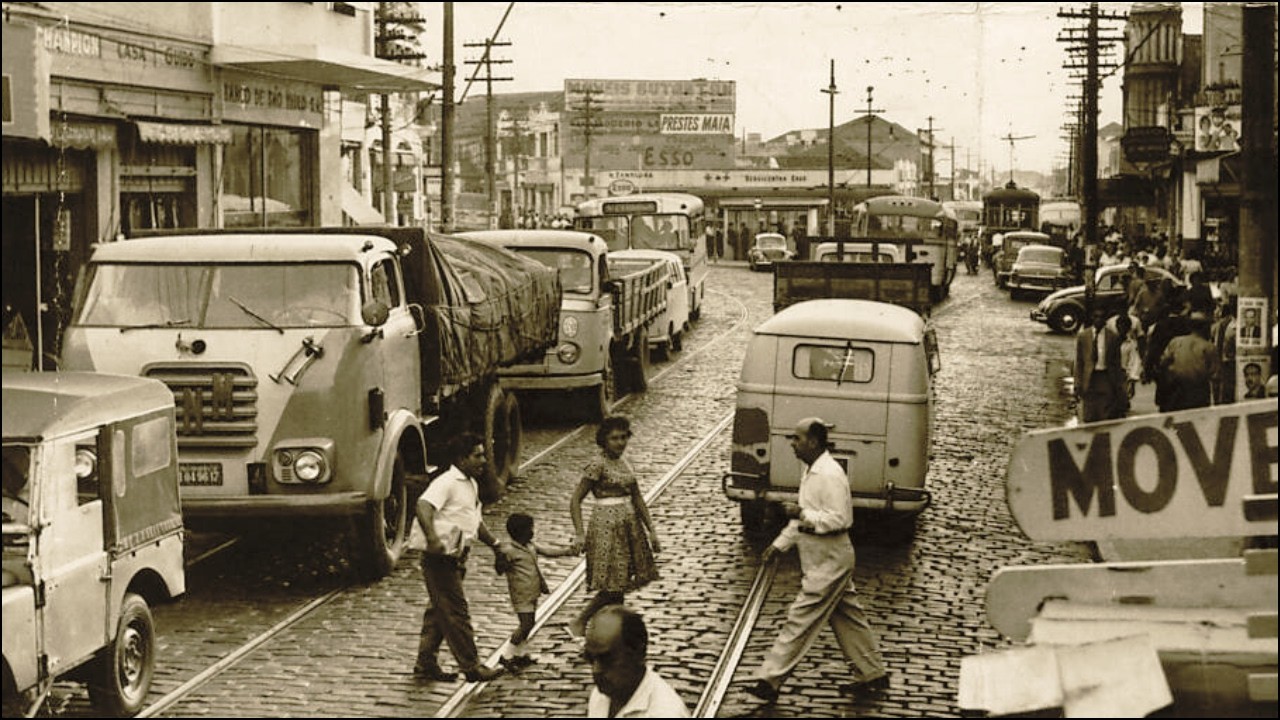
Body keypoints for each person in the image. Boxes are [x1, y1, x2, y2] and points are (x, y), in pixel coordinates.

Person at [745, 418, 889, 705]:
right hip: (823, 558)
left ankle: (770, 680)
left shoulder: (829, 475)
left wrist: (802, 514)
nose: (793, 444)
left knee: (799, 618)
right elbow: (802, 518)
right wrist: (779, 545)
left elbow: (841, 519)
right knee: (848, 617)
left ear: (813, 441)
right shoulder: (812, 470)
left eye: (797, 439)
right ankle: (873, 673)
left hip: (831, 560)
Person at [413, 432, 507, 683]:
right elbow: (423, 505)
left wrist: (495, 545)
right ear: (461, 458)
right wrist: (432, 538)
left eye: (483, 455)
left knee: (438, 613)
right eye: (477, 455)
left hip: (457, 556)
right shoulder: (447, 482)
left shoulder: (471, 483)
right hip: (440, 557)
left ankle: (425, 663)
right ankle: (472, 666)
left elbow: (475, 523)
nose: (483, 460)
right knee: (456, 613)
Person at [569, 415, 660, 638]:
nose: (620, 443)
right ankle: (580, 620)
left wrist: (652, 530)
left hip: (628, 527)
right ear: (604, 440)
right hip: (606, 528)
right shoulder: (597, 465)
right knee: (613, 586)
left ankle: (609, 634)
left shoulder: (624, 463)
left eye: (623, 437)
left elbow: (637, 498)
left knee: (620, 586)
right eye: (614, 438)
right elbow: (575, 500)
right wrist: (579, 534)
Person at [493, 512, 578, 672]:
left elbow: (547, 551)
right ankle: (507, 655)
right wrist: (499, 559)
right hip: (521, 594)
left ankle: (519, 654)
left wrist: (567, 551)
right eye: (530, 529)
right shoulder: (509, 551)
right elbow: (500, 569)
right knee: (525, 624)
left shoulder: (530, 546)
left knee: (529, 623)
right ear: (520, 532)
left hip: (532, 591)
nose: (533, 532)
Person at [584, 605, 690, 718]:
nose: (596, 670)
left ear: (638, 653)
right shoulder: (603, 695)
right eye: (590, 658)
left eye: (607, 659)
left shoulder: (666, 713)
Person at [1159, 313, 1220, 411]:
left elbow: (1163, 362)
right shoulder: (1209, 347)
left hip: (1176, 391)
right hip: (1198, 392)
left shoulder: (1176, 342)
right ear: (1206, 328)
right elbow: (1215, 376)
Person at [1074, 308, 1125, 423]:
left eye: (1101, 317)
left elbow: (1117, 362)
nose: (1098, 320)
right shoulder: (1083, 336)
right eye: (1096, 317)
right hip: (1089, 378)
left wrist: (1119, 385)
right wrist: (1077, 383)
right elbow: (1079, 362)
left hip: (1106, 377)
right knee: (1089, 413)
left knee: (1105, 412)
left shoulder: (1113, 337)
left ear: (1105, 320)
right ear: (1092, 318)